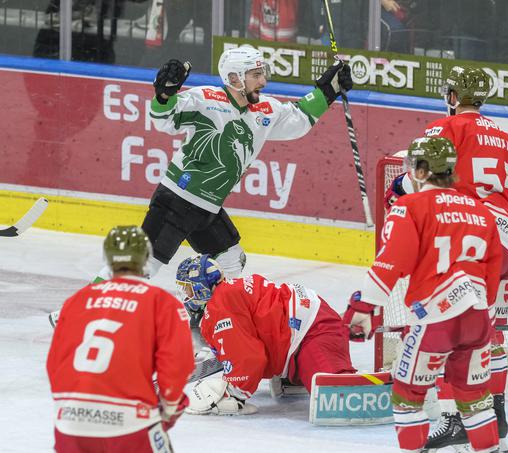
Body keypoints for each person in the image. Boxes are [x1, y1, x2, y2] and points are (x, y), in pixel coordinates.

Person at [47, 45, 352, 327]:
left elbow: (298, 119)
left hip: (208, 208)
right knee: (141, 267)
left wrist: (329, 90)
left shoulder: (265, 111)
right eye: (256, 75)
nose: (263, 81)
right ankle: (73, 313)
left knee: (232, 259)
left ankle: (206, 312)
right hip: (177, 200)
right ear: (234, 78)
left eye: (263, 73)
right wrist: (164, 94)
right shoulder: (207, 100)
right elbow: (162, 118)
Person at [385, 66, 508, 452]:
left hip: (466, 233)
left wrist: (397, 190)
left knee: (449, 330)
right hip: (504, 240)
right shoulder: (505, 138)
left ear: (453, 97)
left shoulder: (446, 128)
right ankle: (495, 415)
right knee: (487, 331)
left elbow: (423, 170)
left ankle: (455, 418)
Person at [345, 137, 502, 453]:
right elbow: (493, 273)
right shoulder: (482, 212)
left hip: (436, 320)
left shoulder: (408, 206)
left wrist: (364, 309)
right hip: (478, 318)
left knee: (407, 396)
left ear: (420, 171)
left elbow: (391, 262)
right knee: (474, 398)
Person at [46, 226, 194, 452]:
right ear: (145, 258)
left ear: (108, 260)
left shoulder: (76, 301)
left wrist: (71, 407)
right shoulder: (162, 302)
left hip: (71, 421)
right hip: (129, 423)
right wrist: (170, 407)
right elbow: (177, 364)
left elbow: (55, 363)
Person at [174, 255, 356, 415]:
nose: (186, 295)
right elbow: (250, 335)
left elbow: (249, 357)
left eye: (187, 288)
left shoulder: (219, 305)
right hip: (308, 329)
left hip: (315, 332)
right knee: (323, 390)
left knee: (336, 397)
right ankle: (294, 375)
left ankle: (382, 389)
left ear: (201, 287)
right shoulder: (227, 294)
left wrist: (234, 392)